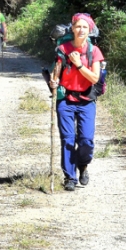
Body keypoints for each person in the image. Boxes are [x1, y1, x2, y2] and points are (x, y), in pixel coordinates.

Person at [49, 13, 104, 191]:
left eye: (85, 27)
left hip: (86, 100)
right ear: (72, 28)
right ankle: (70, 177)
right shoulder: (63, 49)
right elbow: (56, 70)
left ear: (90, 30)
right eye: (78, 26)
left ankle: (83, 165)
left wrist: (79, 64)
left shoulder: (93, 51)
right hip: (65, 99)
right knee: (68, 139)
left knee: (86, 140)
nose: (81, 30)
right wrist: (53, 81)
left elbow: (95, 78)